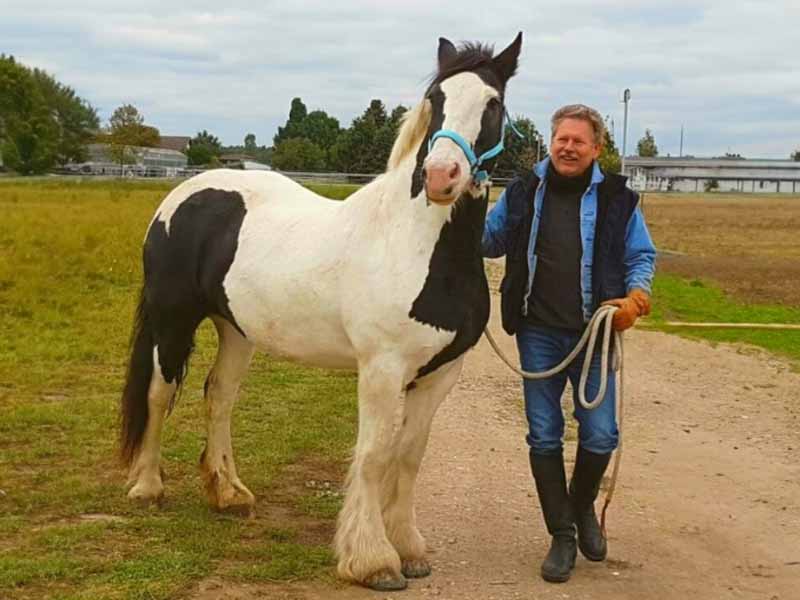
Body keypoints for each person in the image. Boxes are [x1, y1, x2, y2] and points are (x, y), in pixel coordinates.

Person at [482, 104, 656, 583]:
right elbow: (490, 240)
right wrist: (455, 202)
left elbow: (641, 254)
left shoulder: (620, 200)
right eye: (562, 139)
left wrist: (637, 297)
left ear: (596, 149)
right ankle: (561, 534)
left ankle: (579, 510)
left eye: (579, 141)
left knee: (601, 434)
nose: (569, 147)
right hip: (537, 331)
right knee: (543, 434)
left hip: (594, 333)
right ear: (551, 142)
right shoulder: (522, 192)